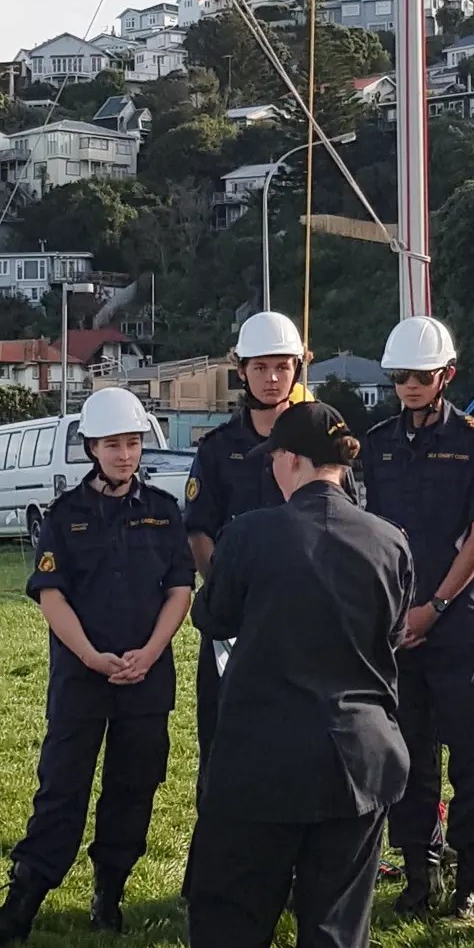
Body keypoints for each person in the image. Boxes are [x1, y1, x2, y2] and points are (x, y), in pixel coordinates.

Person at [128, 399, 412, 948]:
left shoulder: (251, 535)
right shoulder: (388, 541)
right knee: (336, 926)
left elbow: (214, 617)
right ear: (342, 466)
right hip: (356, 759)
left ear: (285, 462)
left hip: (259, 761)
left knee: (230, 920)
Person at [0, 388, 194, 948]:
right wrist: (89, 656)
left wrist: (152, 651)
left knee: (134, 787)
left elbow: (180, 588)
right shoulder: (65, 515)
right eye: (113, 445)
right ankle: (21, 907)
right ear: (91, 447)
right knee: (61, 788)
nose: (125, 455)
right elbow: (51, 594)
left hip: (146, 676)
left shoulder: (163, 510)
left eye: (133, 443)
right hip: (82, 677)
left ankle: (110, 894)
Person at [356, 315, 474, 919]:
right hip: (401, 628)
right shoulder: (380, 441)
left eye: (420, 375)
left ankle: (472, 873)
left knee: (473, 752)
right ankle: (419, 870)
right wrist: (399, 614)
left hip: (460, 621)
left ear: (446, 375)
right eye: (399, 377)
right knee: (410, 753)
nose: (410, 386)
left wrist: (436, 606)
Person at [182, 310, 307, 789]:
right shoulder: (216, 449)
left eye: (282, 366)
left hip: (302, 619)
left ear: (297, 368)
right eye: (260, 367)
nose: (272, 378)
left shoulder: (317, 440)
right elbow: (198, 531)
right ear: (241, 371)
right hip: (232, 624)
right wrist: (229, 596)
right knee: (222, 743)